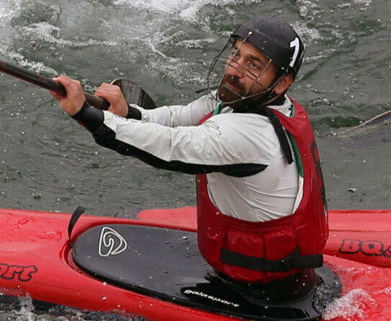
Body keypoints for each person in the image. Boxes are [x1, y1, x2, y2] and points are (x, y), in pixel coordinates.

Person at [51, 16, 328, 300]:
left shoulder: (250, 136)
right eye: (236, 54)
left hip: (260, 292)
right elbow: (179, 119)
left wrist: (86, 114)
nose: (235, 69)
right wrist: (129, 114)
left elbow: (171, 146)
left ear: (281, 83)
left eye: (253, 65)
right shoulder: (263, 104)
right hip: (292, 275)